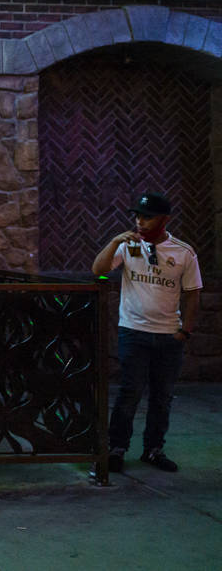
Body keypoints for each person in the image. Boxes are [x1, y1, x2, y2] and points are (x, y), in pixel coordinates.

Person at [91, 192, 201, 473]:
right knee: (130, 392)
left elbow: (193, 294)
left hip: (168, 334)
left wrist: (184, 331)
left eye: (147, 216)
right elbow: (99, 270)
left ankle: (154, 449)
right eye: (137, 216)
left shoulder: (183, 252)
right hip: (134, 331)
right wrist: (115, 241)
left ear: (164, 219)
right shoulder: (128, 246)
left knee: (162, 396)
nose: (140, 221)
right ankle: (117, 448)